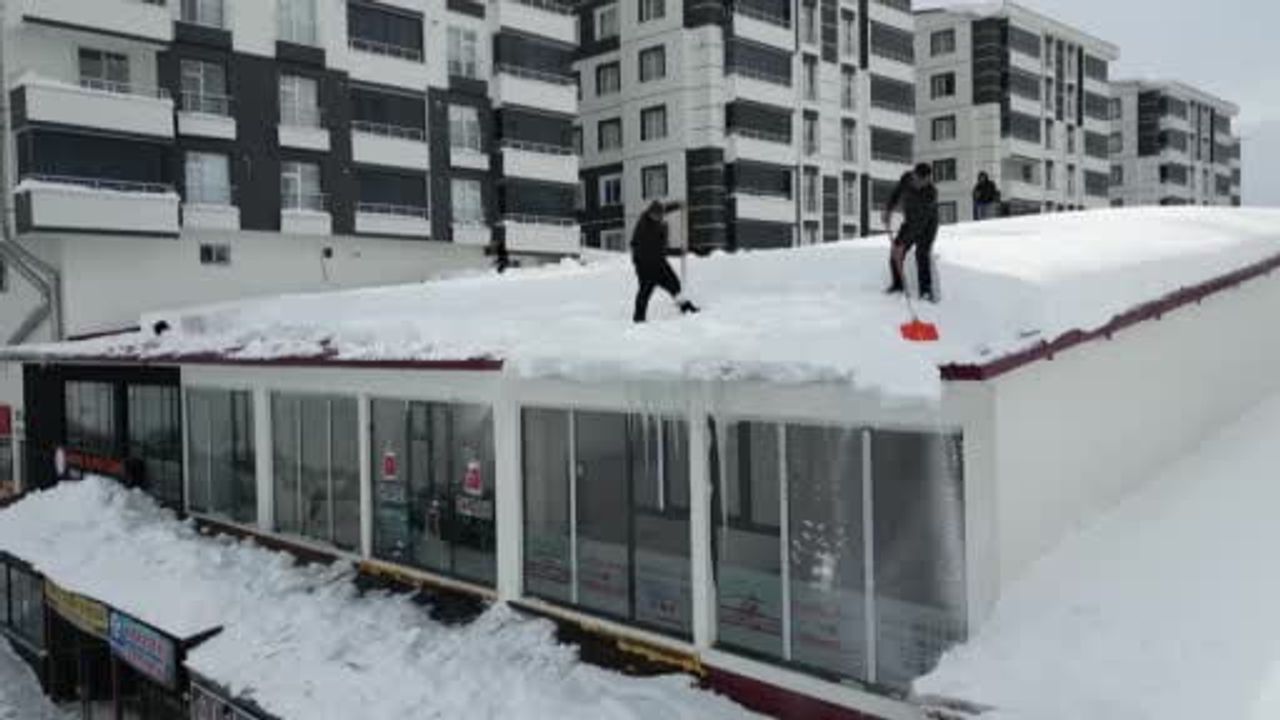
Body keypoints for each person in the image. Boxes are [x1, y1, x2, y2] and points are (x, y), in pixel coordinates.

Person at [631, 200, 699, 323]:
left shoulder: (652, 215)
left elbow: (664, 208)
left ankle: (684, 307)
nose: (660, 218)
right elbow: (657, 250)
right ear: (651, 214)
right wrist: (677, 252)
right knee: (645, 291)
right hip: (645, 264)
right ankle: (638, 318)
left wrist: (677, 205)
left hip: (658, 262)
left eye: (661, 215)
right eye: (658, 216)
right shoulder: (645, 229)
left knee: (674, 284)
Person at [883, 163, 940, 302]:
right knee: (895, 252)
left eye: (924, 181)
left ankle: (926, 291)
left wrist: (904, 243)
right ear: (914, 175)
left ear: (928, 179)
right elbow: (896, 193)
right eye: (918, 179)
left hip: (927, 226)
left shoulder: (930, 194)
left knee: (921, 254)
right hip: (909, 221)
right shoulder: (906, 179)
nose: (919, 183)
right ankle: (898, 285)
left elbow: (919, 225)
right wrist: (888, 210)